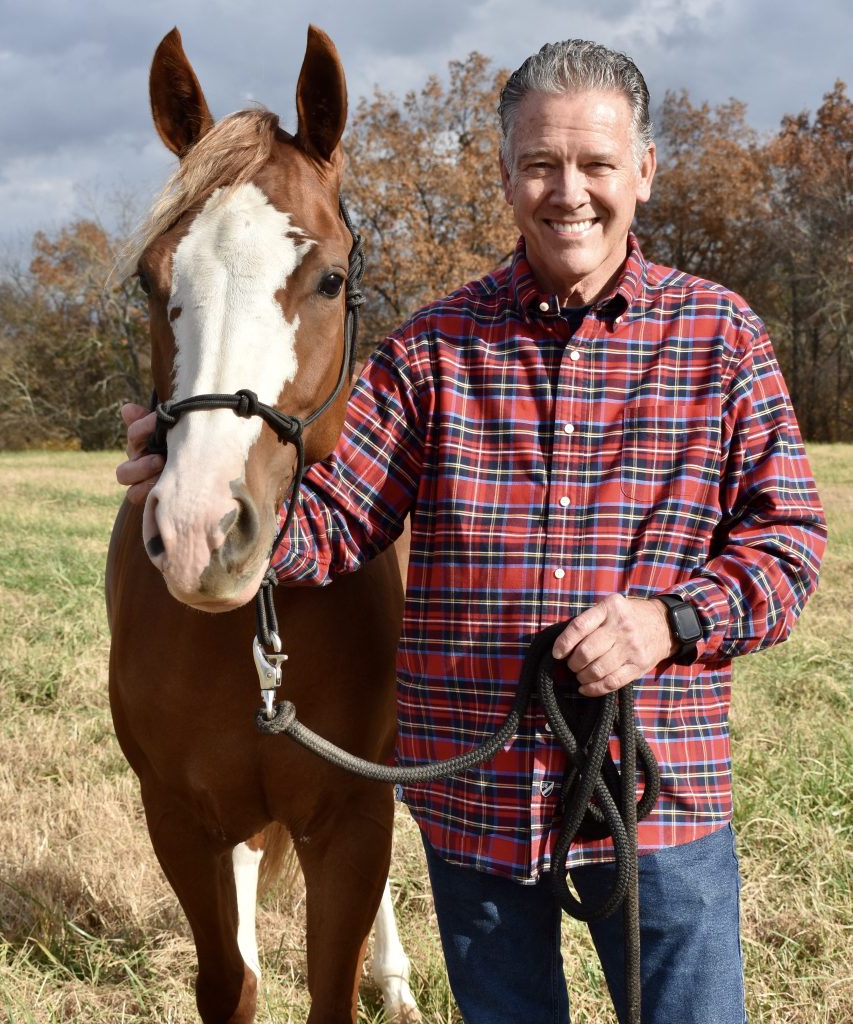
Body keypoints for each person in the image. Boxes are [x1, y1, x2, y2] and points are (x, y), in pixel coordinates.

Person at [118, 39, 826, 1024]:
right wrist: (209, 484)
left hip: (659, 804)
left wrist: (669, 623)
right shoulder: (431, 352)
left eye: (596, 165)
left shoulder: (722, 337)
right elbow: (337, 524)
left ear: (645, 172)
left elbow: (787, 543)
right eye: (539, 164)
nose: (567, 192)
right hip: (477, 812)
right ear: (504, 176)